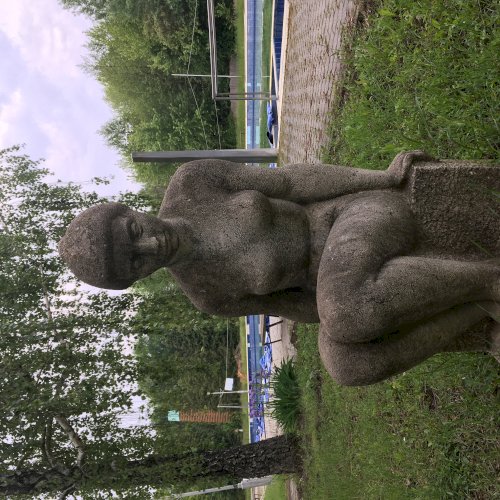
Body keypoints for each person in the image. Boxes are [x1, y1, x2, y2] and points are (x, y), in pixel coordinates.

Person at [59, 152, 499, 385]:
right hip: (339, 287)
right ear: (136, 278)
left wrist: (380, 179)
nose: (151, 245)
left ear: (129, 210)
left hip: (356, 217)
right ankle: (477, 310)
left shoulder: (193, 183)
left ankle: (489, 278)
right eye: (136, 260)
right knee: (345, 365)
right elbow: (305, 308)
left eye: (135, 231)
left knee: (343, 308)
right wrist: (345, 315)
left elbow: (292, 180)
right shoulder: (207, 294)